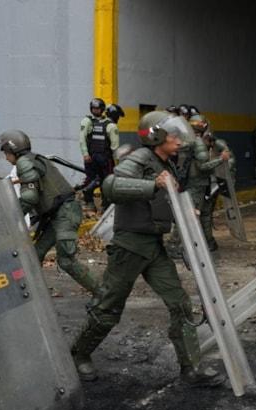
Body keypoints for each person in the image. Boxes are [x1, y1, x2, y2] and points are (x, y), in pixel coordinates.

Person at [70, 110, 224, 387]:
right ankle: (79, 354)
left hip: (153, 245)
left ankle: (191, 368)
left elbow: (166, 201)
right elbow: (111, 186)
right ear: (157, 136)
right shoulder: (141, 159)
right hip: (129, 245)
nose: (178, 140)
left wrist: (187, 211)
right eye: (173, 135)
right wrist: (153, 184)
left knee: (179, 303)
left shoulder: (168, 162)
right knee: (109, 307)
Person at [0, 129, 100, 297]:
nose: (6, 158)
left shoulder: (24, 162)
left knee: (66, 261)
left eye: (6, 153)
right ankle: (30, 296)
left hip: (64, 214)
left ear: (13, 150)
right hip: (60, 213)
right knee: (35, 256)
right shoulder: (34, 159)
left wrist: (12, 217)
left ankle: (103, 294)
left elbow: (29, 197)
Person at [190, 115, 235, 251]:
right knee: (195, 214)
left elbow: (230, 159)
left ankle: (208, 241)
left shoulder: (215, 142)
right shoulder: (188, 141)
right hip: (194, 182)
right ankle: (202, 242)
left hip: (211, 183)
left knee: (204, 213)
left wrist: (218, 167)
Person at [78, 98, 119, 212]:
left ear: (102, 109)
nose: (96, 111)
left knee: (97, 180)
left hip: (97, 157)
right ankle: (101, 205)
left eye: (97, 108)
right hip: (99, 158)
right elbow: (82, 139)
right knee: (105, 180)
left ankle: (100, 204)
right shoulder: (88, 121)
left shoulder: (105, 123)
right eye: (94, 108)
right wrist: (85, 154)